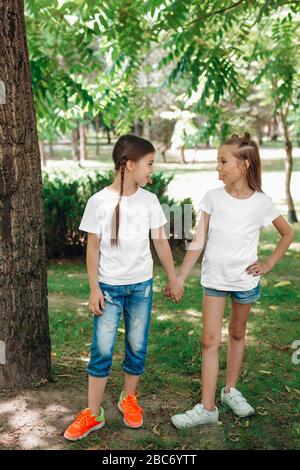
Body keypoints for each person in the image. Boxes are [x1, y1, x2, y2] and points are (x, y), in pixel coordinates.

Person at [167, 132, 294, 429]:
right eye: (218, 161)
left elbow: (287, 234)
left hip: (245, 282)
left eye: (223, 161)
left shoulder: (261, 202)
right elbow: (198, 240)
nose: (218, 167)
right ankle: (207, 407)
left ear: (245, 164)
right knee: (209, 340)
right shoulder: (212, 198)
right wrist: (181, 277)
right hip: (214, 279)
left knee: (237, 334)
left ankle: (231, 390)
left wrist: (269, 263)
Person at [64, 134, 183, 441]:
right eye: (149, 164)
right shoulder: (98, 202)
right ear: (129, 164)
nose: (152, 171)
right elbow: (92, 248)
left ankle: (128, 398)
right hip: (109, 288)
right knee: (101, 349)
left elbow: (161, 241)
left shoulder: (150, 201)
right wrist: (94, 288)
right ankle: (93, 412)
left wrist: (173, 277)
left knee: (137, 345)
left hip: (141, 287)